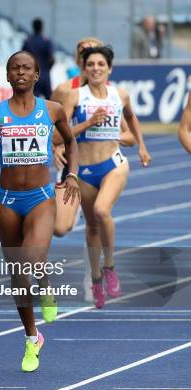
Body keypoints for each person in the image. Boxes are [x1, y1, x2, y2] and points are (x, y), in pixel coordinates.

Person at [0, 51, 79, 372]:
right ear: (7, 76)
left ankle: (44, 286)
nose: (20, 72)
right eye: (15, 68)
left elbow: (71, 144)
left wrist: (71, 174)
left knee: (30, 259)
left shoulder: (52, 110)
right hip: (7, 200)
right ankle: (32, 338)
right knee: (18, 275)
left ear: (36, 75)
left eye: (27, 68)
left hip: (41, 197)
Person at [61, 46, 151, 309]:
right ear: (84, 69)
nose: (96, 68)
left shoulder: (119, 95)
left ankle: (110, 266)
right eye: (91, 64)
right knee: (91, 226)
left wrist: (141, 145)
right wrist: (88, 124)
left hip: (113, 164)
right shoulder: (74, 97)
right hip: (85, 171)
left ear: (109, 68)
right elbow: (58, 136)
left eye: (101, 64)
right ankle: (96, 277)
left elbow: (132, 123)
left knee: (102, 210)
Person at [21, 18, 54, 99]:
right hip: (45, 75)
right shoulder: (46, 41)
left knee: (31, 101)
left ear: (33, 27)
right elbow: (52, 59)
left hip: (32, 75)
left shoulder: (28, 41)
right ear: (42, 27)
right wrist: (47, 69)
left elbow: (22, 58)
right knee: (50, 101)